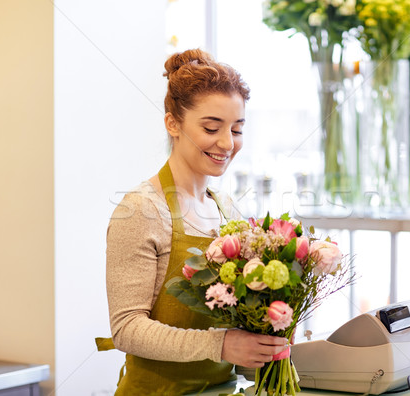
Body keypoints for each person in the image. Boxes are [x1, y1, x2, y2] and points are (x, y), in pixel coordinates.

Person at [96, 49, 288, 395]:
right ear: (173, 123)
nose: (227, 143)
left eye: (237, 129)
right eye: (211, 127)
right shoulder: (141, 211)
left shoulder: (227, 208)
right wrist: (221, 345)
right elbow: (127, 328)